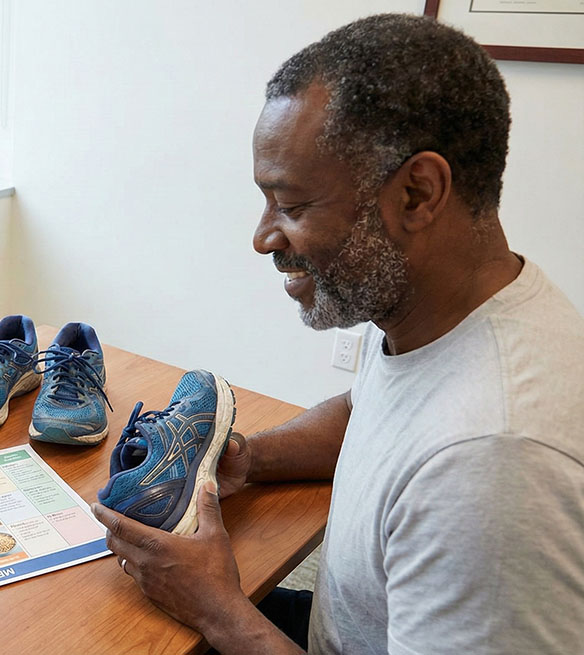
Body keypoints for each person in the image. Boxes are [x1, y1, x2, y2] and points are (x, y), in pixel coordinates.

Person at [92, 14, 584, 655]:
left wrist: (220, 611)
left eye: (291, 206)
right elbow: (367, 413)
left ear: (417, 193)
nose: (263, 236)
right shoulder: (450, 317)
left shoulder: (492, 466)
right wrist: (249, 458)